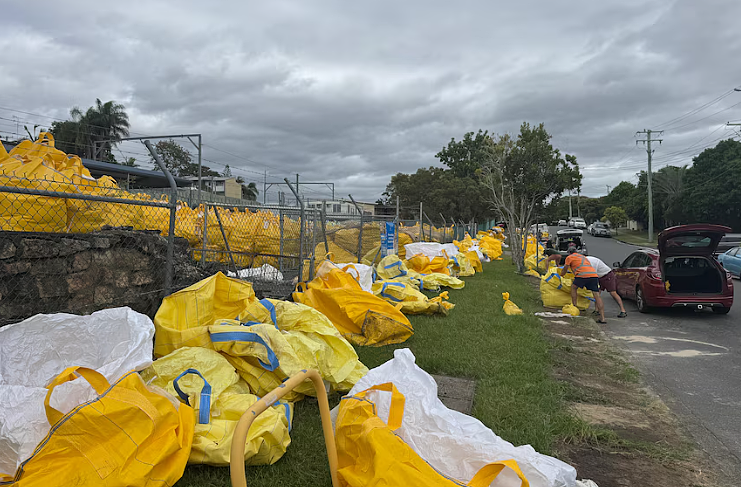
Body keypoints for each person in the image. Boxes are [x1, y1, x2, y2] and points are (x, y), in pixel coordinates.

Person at [559, 245, 606, 323]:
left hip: (582, 275)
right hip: (593, 276)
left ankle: (574, 307)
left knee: (573, 287)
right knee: (597, 296)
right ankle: (603, 318)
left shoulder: (569, 257)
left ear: (569, 253)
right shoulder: (583, 257)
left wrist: (561, 276)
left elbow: (565, 269)